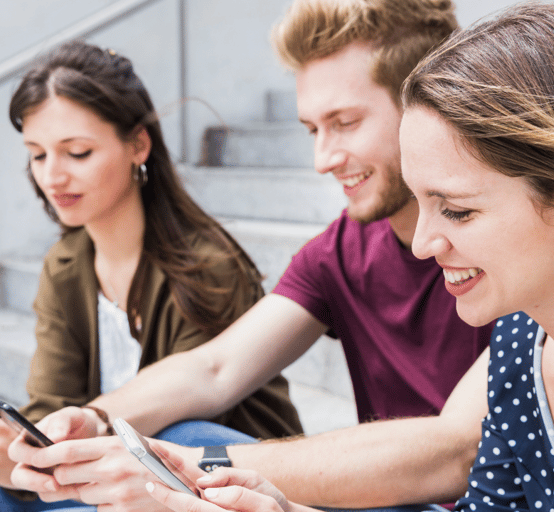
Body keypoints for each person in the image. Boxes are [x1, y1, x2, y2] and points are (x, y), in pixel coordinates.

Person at [145, 2, 554, 511]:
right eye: (421, 204)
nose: (423, 244)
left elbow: (447, 451)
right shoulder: (527, 343)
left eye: (458, 211)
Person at [8, 0, 495, 510]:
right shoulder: (339, 250)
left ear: (427, 106)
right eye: (311, 129)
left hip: (458, 493)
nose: (322, 160)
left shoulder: (512, 238)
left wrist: (199, 463)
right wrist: (99, 419)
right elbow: (216, 367)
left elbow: (456, 448)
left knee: (189, 441)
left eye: (345, 122)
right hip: (388, 495)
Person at [0, 40, 303, 511]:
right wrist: (24, 449)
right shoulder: (64, 266)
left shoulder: (207, 264)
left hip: (210, 479)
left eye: (76, 152)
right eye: (37, 155)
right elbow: (51, 404)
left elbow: (186, 429)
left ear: (138, 144)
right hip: (108, 478)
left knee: (177, 434)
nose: (52, 176)